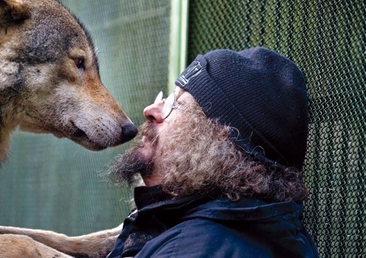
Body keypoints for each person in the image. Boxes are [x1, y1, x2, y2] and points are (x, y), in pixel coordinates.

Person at [105, 47, 320, 257]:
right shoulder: (213, 235)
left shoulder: (193, 250)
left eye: (176, 105)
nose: (150, 111)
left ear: (217, 146)